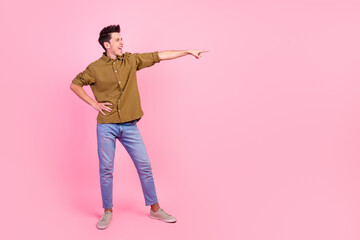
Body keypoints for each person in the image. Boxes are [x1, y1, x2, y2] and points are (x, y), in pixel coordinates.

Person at [70, 24, 208, 230]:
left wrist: (187, 51)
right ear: (107, 44)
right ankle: (107, 211)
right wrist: (93, 104)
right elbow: (75, 84)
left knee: (144, 166)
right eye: (117, 40)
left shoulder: (132, 60)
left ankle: (155, 209)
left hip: (129, 126)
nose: (121, 42)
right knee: (106, 170)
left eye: (121, 39)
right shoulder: (94, 68)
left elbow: (159, 55)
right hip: (106, 126)